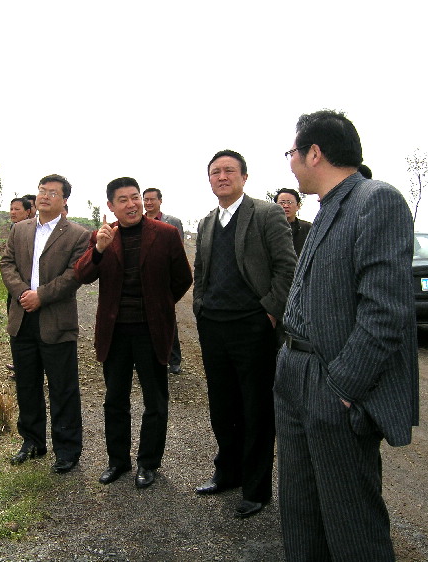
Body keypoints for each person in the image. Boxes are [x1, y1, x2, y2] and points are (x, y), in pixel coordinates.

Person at [276, 110, 418, 560]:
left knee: (351, 522)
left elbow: (386, 311)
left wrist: (341, 388)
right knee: (301, 512)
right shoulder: (327, 208)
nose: (291, 163)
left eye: (292, 153)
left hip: (331, 382)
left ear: (314, 153)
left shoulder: (375, 200)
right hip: (294, 375)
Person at [193, 150, 296, 519]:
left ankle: (256, 489)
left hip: (254, 328)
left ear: (244, 177)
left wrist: (269, 311)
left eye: (229, 170)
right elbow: (201, 271)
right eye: (215, 172)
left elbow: (287, 267)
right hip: (214, 326)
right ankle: (228, 473)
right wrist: (200, 306)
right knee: (223, 407)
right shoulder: (207, 222)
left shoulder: (266, 214)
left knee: (256, 409)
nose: (222, 176)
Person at [74, 177, 192, 489]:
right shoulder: (102, 236)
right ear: (111, 206)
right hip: (115, 332)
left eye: (135, 197)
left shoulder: (165, 234)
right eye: (123, 200)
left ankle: (148, 463)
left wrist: (160, 305)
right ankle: (118, 461)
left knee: (155, 400)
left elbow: (182, 277)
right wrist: (99, 249)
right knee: (115, 399)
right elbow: (82, 274)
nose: (132, 204)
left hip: (151, 330)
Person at [0, 174, 90, 474]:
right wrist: (22, 293)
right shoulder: (20, 230)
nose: (44, 196)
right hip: (22, 318)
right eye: (42, 191)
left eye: (52, 193)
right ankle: (32, 441)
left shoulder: (77, 234)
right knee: (27, 384)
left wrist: (41, 296)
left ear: (64, 200)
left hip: (56, 320)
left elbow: (74, 275)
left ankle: (67, 450)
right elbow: (7, 263)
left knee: (63, 388)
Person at [142, 187, 185, 374]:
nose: (148, 203)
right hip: (142, 278)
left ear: (160, 201)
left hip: (164, 279)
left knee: (167, 319)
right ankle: (147, 358)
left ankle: (174, 359)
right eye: (146, 199)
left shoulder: (172, 222)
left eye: (152, 199)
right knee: (143, 321)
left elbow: (179, 252)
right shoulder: (137, 221)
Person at [5, 197, 34, 375]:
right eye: (11, 209)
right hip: (16, 288)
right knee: (14, 325)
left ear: (28, 212)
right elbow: (7, 261)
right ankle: (19, 365)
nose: (13, 212)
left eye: (17, 209)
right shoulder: (14, 229)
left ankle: (25, 368)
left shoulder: (33, 231)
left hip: (30, 290)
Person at [274, 188, 311, 257]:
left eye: (290, 202)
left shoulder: (307, 228)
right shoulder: (268, 227)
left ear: (298, 206)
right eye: (282, 203)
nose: (286, 206)